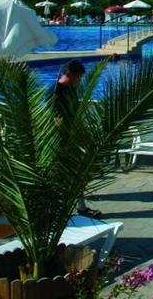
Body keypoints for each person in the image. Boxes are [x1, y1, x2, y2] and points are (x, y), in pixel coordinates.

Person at [52, 60, 102, 218]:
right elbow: (56, 119)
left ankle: (80, 207)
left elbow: (74, 113)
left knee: (77, 173)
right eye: (78, 78)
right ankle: (71, 210)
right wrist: (73, 137)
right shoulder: (56, 92)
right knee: (67, 175)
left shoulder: (71, 89)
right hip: (60, 140)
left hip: (71, 137)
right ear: (69, 75)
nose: (79, 81)